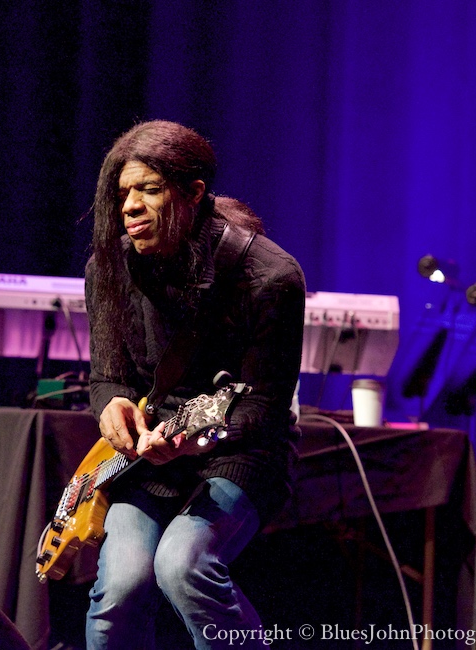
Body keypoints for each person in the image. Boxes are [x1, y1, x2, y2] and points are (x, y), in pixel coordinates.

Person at [84, 120, 305, 649]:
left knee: (182, 566)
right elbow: (108, 374)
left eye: (149, 190)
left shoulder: (270, 277)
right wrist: (111, 404)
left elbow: (265, 407)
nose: (130, 207)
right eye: (122, 194)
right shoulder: (108, 266)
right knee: (120, 586)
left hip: (241, 451)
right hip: (151, 452)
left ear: (193, 193)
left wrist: (193, 439)